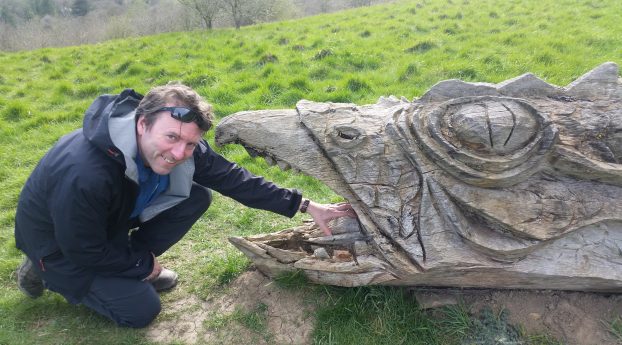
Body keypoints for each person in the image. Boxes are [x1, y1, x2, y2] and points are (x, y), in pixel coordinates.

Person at [14, 84, 355, 328]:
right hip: (59, 246)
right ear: (142, 123)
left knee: (196, 196)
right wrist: (140, 264)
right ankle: (42, 271)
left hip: (106, 226)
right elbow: (82, 247)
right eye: (172, 138)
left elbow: (234, 179)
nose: (179, 153)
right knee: (141, 310)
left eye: (190, 143)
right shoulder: (85, 172)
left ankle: (126, 263)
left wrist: (305, 204)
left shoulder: (183, 142)